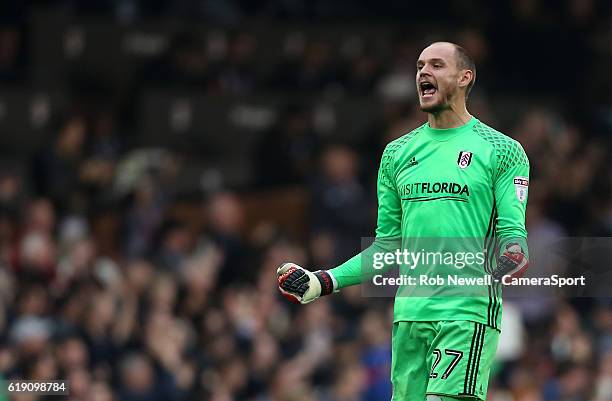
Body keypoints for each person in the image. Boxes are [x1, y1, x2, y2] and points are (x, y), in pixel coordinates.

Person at [277, 42, 530, 401]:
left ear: (464, 77)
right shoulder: (396, 154)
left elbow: (513, 236)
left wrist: (510, 257)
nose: (423, 72)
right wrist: (324, 281)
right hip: (409, 314)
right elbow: (387, 246)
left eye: (437, 65)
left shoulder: (501, 150)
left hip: (465, 309)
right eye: (419, 66)